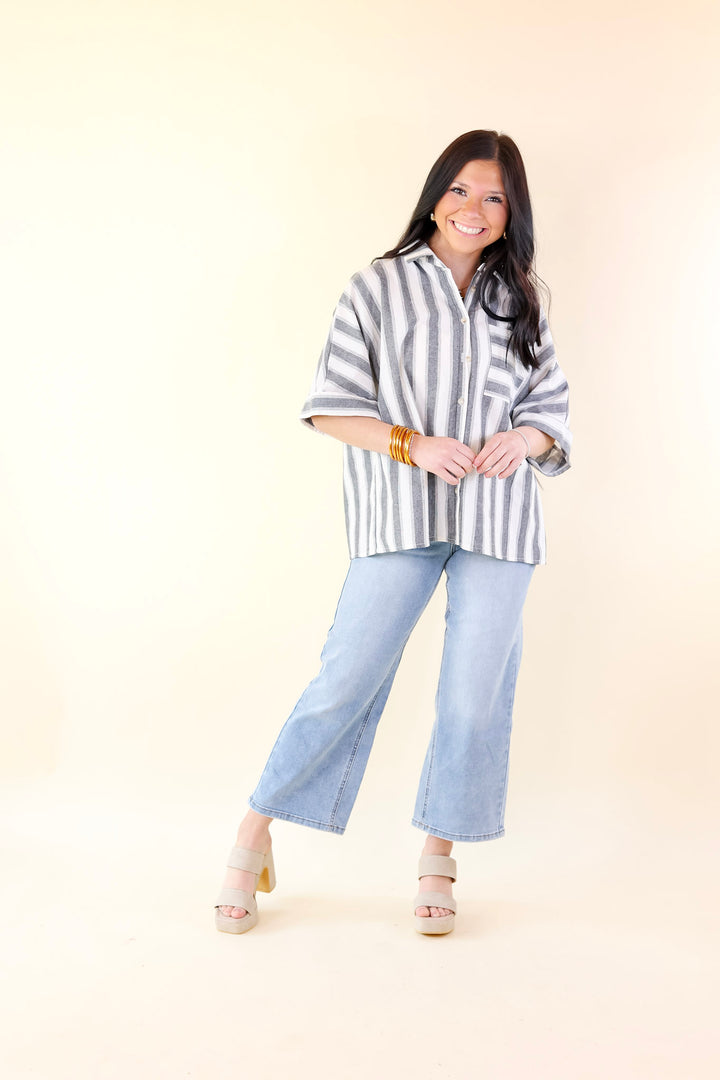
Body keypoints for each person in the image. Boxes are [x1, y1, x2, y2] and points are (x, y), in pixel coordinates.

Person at [214, 129, 572, 936]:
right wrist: (416, 444)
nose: (473, 209)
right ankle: (252, 836)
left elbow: (552, 414)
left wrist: (525, 439)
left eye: (493, 197)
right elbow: (332, 405)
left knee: (470, 696)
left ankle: (438, 857)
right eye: (460, 190)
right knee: (345, 679)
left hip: (499, 521)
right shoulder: (377, 287)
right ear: (435, 193)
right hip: (399, 514)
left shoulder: (523, 298)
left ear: (510, 211)